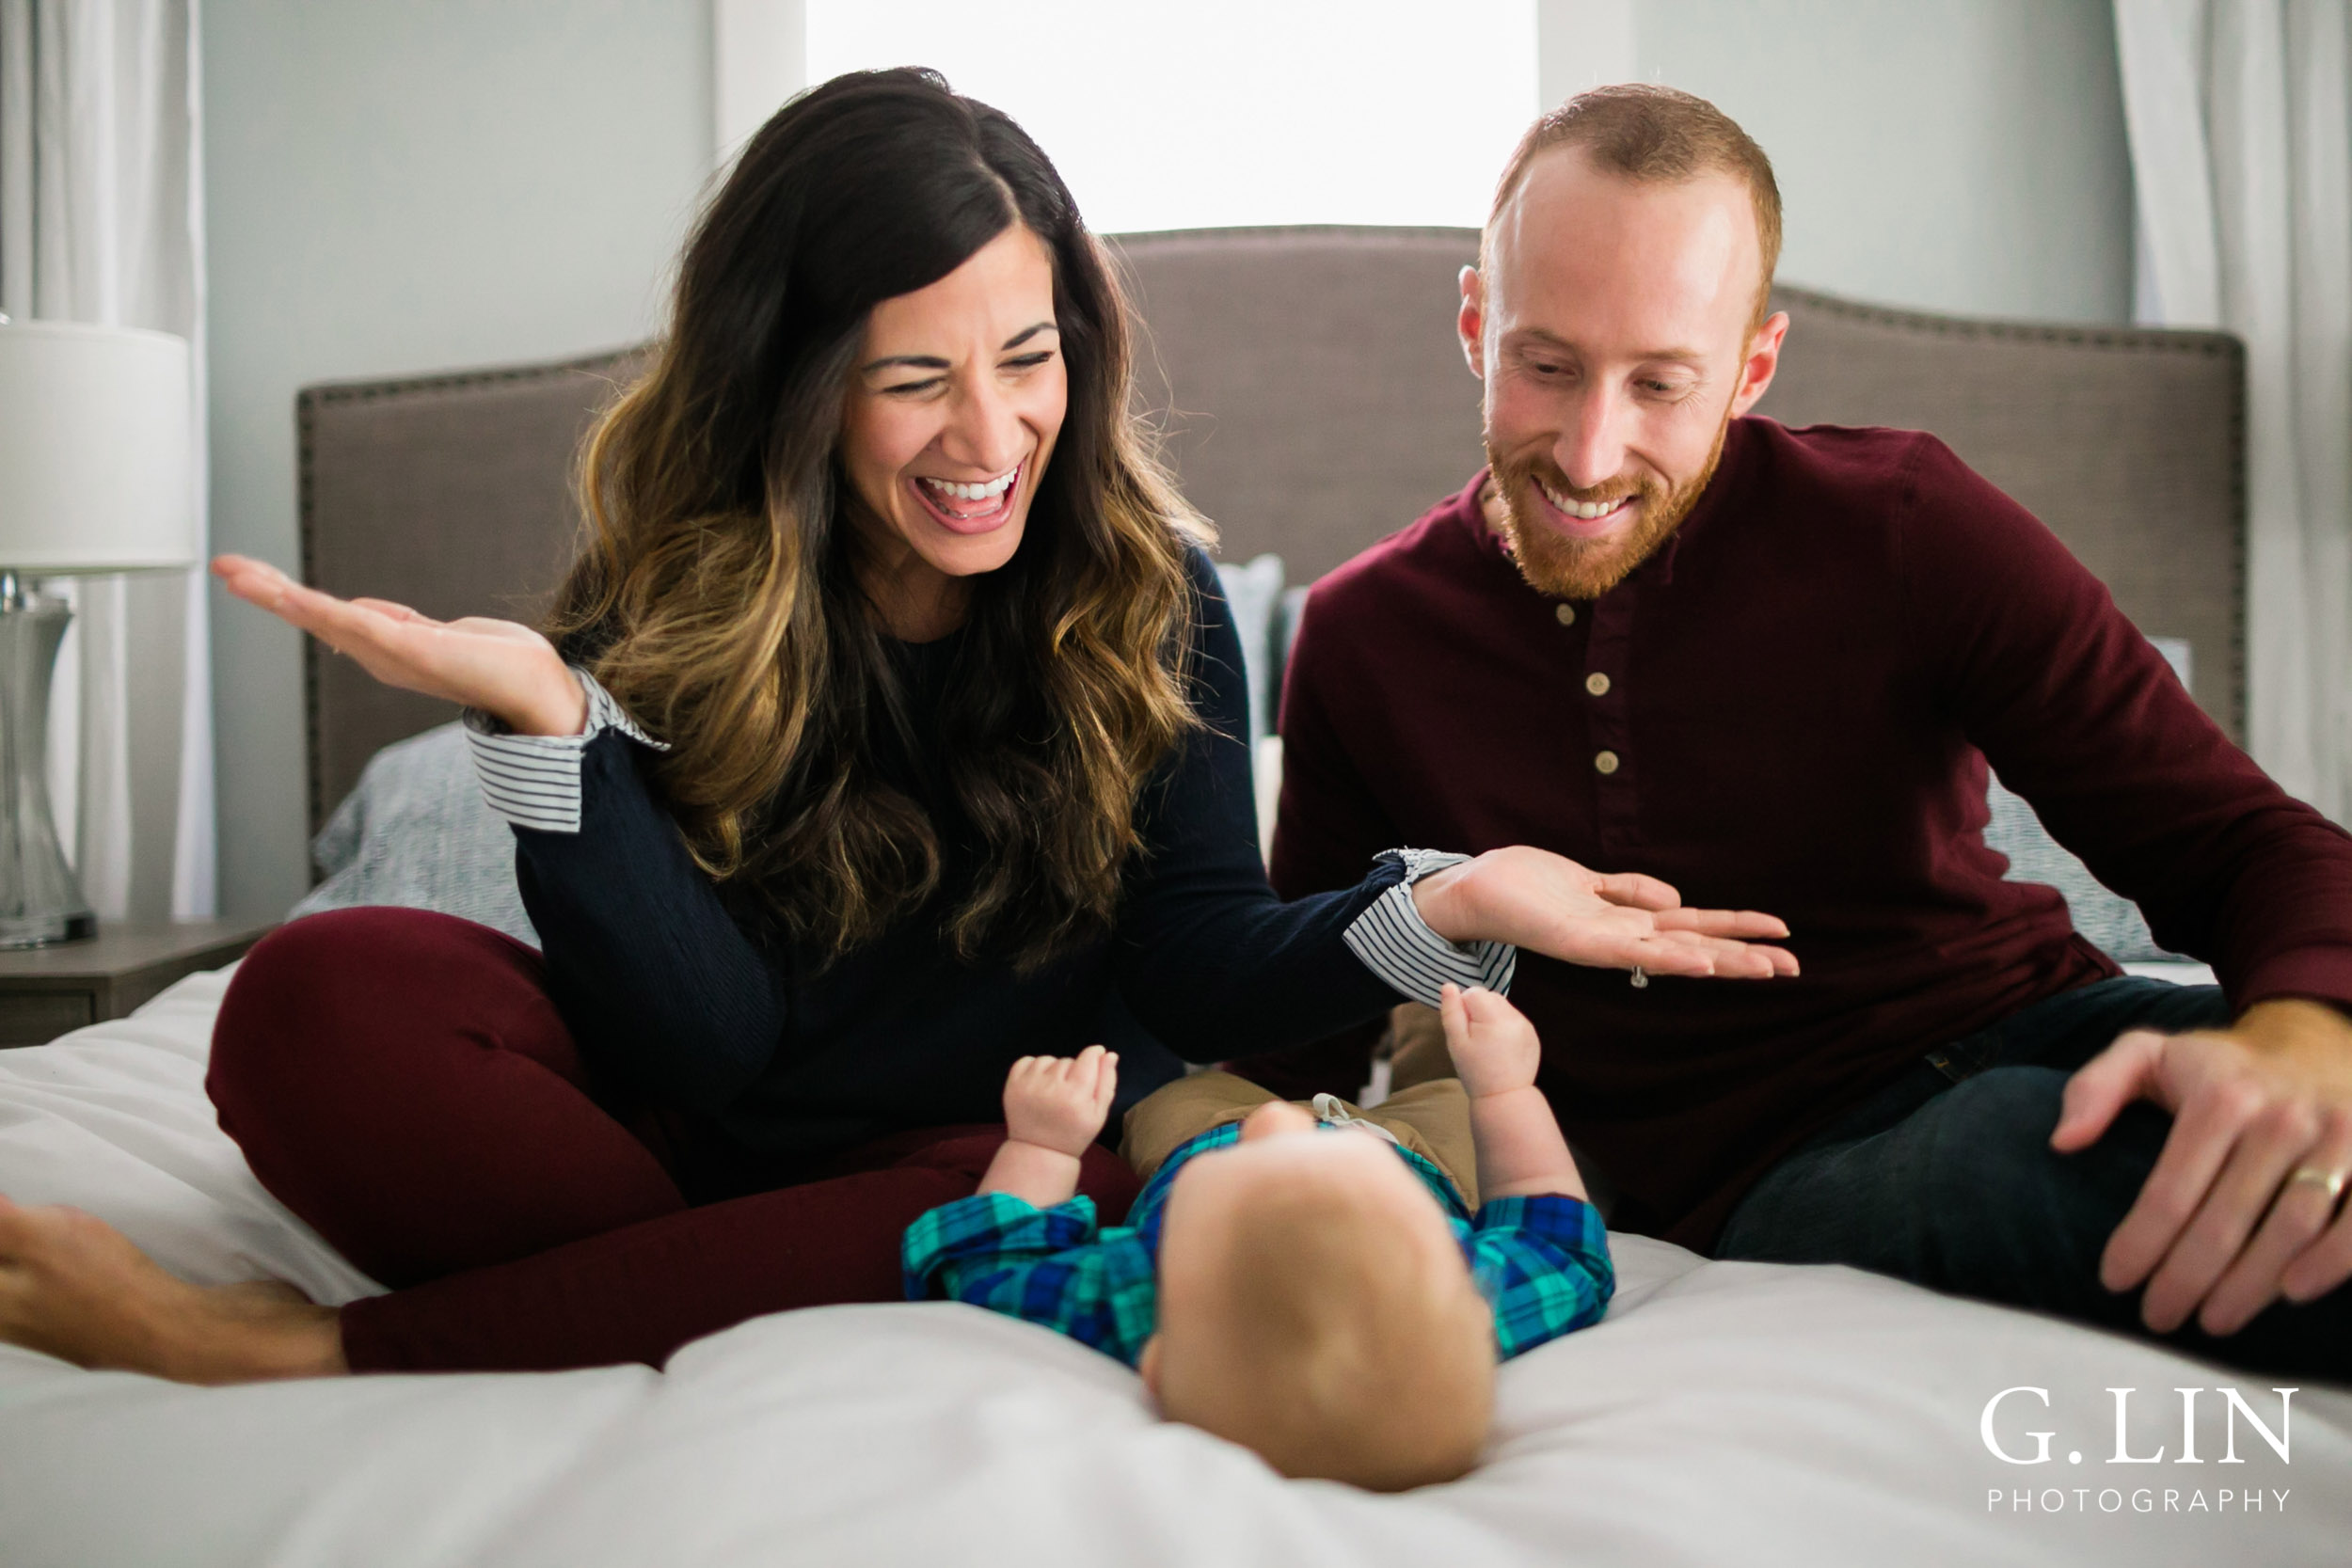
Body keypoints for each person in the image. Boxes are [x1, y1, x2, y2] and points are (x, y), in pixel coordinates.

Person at [0, 70, 1791, 1385]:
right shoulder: (678, 593)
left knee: (1024, 1188)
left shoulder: (1143, 603)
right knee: (314, 997)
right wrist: (551, 735)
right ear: (797, 387)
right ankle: (686, 1280)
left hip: (959, 1159)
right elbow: (704, 1047)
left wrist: (1455, 902)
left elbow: (1210, 958)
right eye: (915, 376)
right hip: (657, 1133)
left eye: (1028, 357)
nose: (989, 434)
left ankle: (303, 1355)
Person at [1268, 83, 2352, 1374]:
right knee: (2022, 1151)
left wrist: (2300, 1035)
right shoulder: (1361, 636)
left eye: (1662, 383)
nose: (1590, 448)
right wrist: (1445, 905)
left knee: (2251, 1095)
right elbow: (1292, 1041)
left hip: (2049, 1013)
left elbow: (2238, 839)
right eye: (1544, 364)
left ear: (1754, 366)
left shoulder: (1909, 521)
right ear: (1473, 323)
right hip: (1778, 1168)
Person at [903, 983, 1609, 1491]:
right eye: (1320, 1155)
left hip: (1201, 1129)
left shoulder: (1136, 1293)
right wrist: (1507, 1092)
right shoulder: (1474, 1294)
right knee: (1458, 1088)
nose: (1283, 1126)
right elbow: (1559, 1236)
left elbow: (987, 1262)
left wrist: (1044, 1146)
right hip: (1420, 1147)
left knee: (1168, 1102)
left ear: (1156, 1359)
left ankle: (1384, 1030)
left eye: (1245, 1168)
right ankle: (1432, 1032)